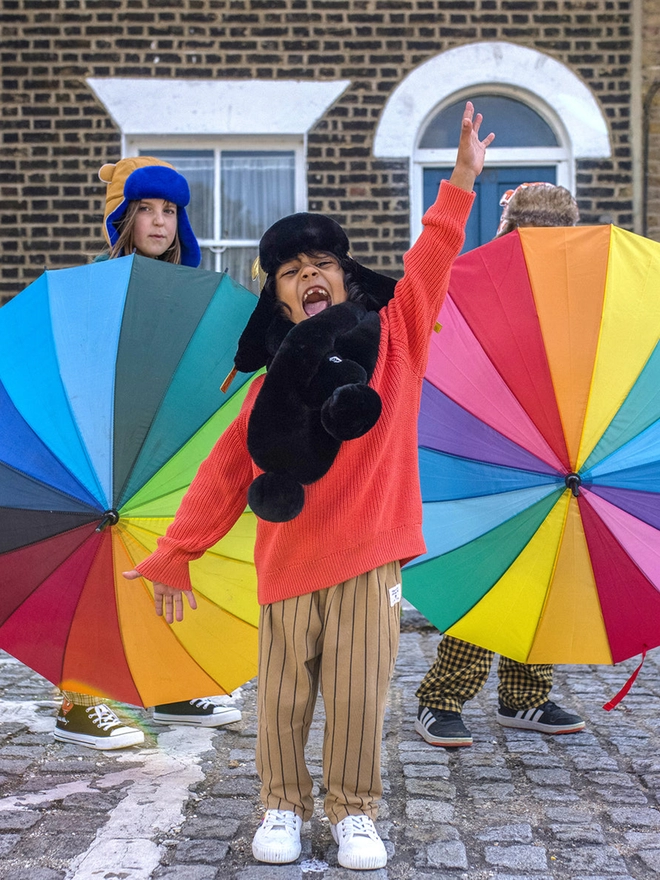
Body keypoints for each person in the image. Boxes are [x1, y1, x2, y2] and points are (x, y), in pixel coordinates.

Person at [122, 102, 494, 870]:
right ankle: (281, 806)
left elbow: (432, 261)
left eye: (321, 265)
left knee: (359, 699)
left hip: (371, 556)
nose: (308, 277)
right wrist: (175, 553)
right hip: (287, 565)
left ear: (346, 278)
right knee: (284, 701)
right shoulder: (269, 391)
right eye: (291, 274)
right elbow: (224, 474)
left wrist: (459, 181)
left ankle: (355, 811)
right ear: (281, 300)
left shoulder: (396, 343)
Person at [54, 156, 242, 750]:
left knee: (163, 557)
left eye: (170, 211)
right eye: (146, 210)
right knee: (97, 560)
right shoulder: (99, 288)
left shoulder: (192, 291)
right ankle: (79, 700)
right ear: (126, 217)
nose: (159, 222)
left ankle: (169, 683)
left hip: (163, 445)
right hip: (104, 438)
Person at [415, 182, 586, 749]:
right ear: (511, 232)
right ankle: (441, 697)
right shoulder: (480, 283)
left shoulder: (582, 292)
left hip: (564, 451)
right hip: (491, 446)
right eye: (530, 233)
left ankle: (526, 694)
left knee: (543, 572)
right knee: (493, 571)